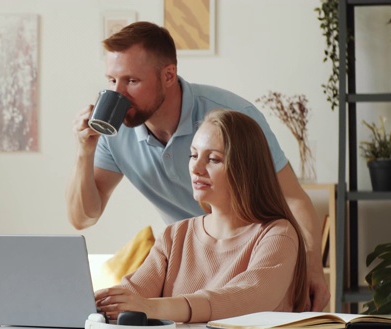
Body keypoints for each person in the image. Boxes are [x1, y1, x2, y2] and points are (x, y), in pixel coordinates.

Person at [66, 21, 329, 311]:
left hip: (243, 252)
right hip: (190, 259)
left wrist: (312, 266)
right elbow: (83, 218)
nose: (118, 93)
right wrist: (84, 151)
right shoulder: (172, 237)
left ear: (168, 75)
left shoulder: (233, 118)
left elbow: (292, 198)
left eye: (131, 81)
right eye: (112, 81)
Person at [95, 110, 307, 322]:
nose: (196, 168)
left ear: (245, 168)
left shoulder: (277, 235)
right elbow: (133, 295)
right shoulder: (175, 235)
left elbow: (249, 298)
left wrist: (153, 308)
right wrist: (98, 303)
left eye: (213, 159)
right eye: (193, 155)